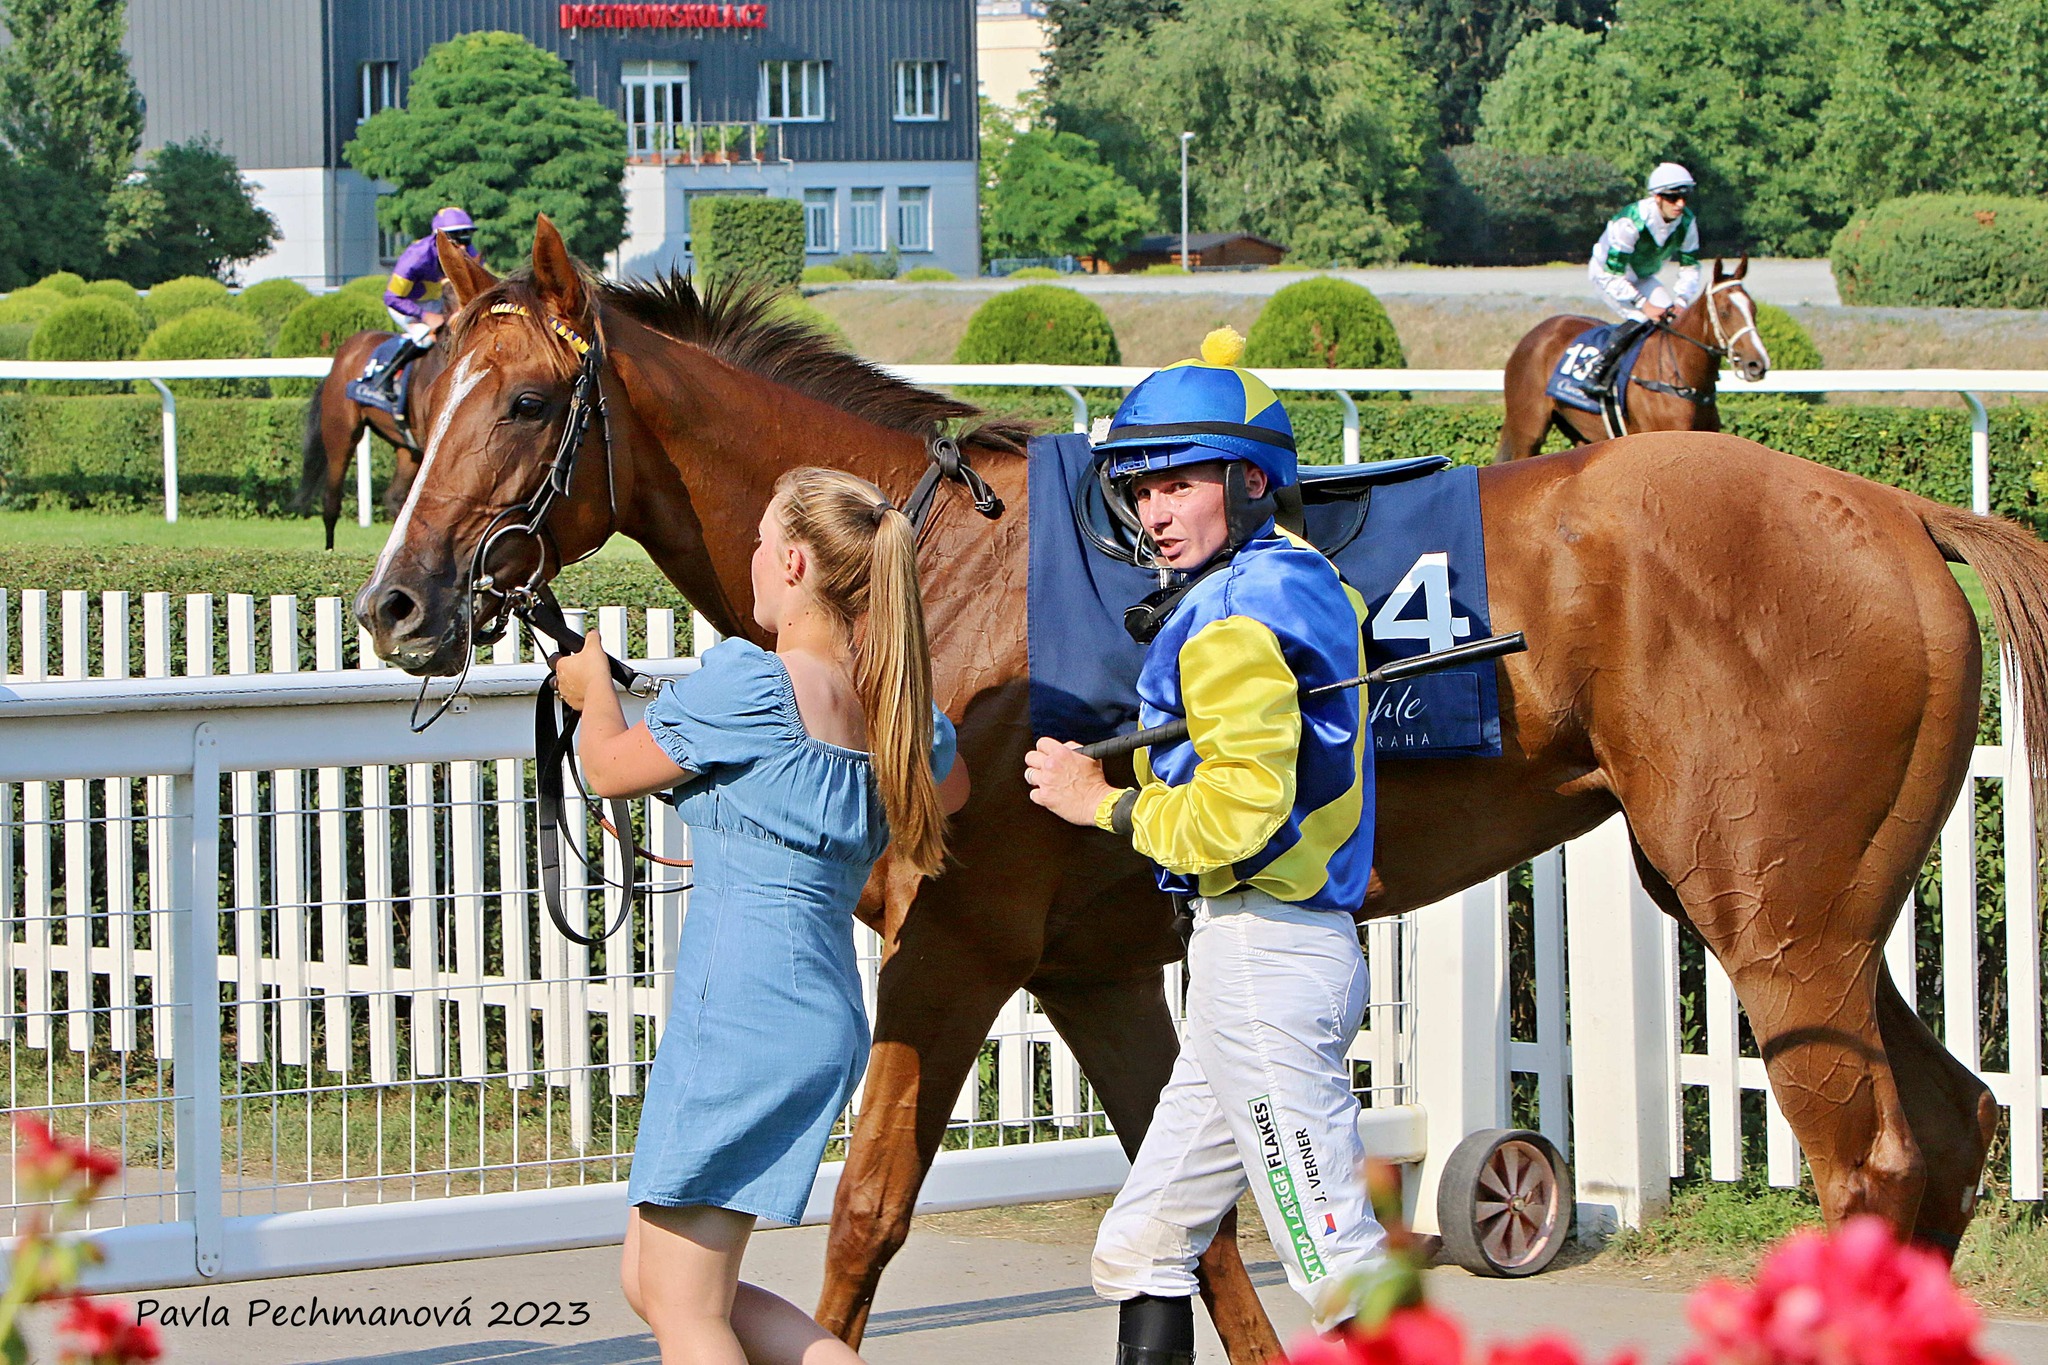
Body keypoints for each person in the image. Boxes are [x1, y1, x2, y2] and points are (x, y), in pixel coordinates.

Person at [553, 466, 971, 1365]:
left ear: (790, 562)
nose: (746, 557)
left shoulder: (750, 684)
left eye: (758, 540)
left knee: (685, 1304)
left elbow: (610, 769)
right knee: (655, 1281)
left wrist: (593, 694)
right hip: (810, 1015)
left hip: (740, 1015)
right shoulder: (892, 706)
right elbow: (954, 782)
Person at [1023, 328, 1384, 1365]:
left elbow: (1238, 815)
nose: (1153, 513)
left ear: (1252, 483)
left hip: (1268, 958)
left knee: (1335, 1261)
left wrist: (1098, 802)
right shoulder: (1293, 577)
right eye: (1140, 492)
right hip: (1255, 958)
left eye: (1178, 485)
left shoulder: (1229, 615)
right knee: (1144, 1240)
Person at [1581, 162, 1703, 397]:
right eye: (1673, 197)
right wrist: (1645, 305)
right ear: (1657, 197)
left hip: (1642, 277)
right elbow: (1614, 275)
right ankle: (1598, 372)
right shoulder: (1631, 222)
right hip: (1608, 276)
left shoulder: (1687, 222)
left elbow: (1690, 267)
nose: (1680, 204)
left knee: (1670, 318)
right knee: (1641, 318)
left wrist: (1682, 301)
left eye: (1684, 196)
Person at [373, 205, 481, 401]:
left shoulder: (469, 253)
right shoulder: (416, 258)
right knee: (423, 337)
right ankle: (386, 377)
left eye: (466, 239)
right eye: (457, 240)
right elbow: (391, 297)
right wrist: (425, 316)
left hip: (439, 302)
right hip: (407, 304)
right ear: (438, 239)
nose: (464, 248)